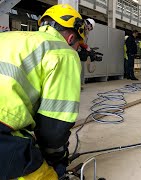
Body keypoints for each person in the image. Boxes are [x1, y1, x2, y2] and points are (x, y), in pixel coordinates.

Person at [0, 4, 86, 179]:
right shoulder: (63, 52)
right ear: (71, 38)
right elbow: (53, 128)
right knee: (46, 174)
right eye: (79, 45)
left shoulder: (8, 36)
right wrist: (57, 159)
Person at [78, 18, 95, 90]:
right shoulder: (82, 27)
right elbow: (80, 40)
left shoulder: (83, 28)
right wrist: (87, 47)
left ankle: (80, 84)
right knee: (79, 69)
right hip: (77, 50)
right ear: (89, 25)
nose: (90, 30)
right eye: (91, 28)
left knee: (80, 68)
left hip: (79, 50)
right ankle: (78, 85)